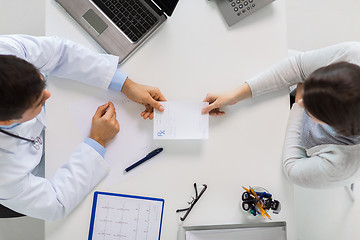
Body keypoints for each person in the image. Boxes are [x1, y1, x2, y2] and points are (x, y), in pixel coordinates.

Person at [0, 34, 166, 220]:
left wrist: (127, 85)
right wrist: (97, 141)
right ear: (5, 122)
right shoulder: (4, 173)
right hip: (33, 173)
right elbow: (55, 204)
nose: (48, 95)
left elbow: (60, 53)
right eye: (39, 101)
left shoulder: (5, 50)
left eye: (42, 83)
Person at [202, 41, 360, 189]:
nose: (304, 104)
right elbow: (298, 67)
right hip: (294, 92)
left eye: (310, 108)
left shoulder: (345, 165)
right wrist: (236, 94)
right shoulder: (353, 55)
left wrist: (299, 103)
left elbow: (292, 169)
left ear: (332, 125)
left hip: (292, 142)